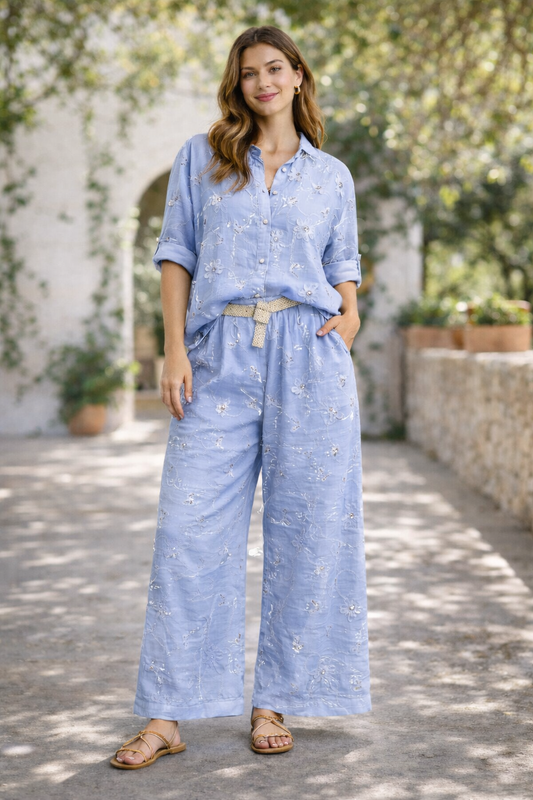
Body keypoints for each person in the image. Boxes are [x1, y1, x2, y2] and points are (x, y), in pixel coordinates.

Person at [110, 24, 371, 770]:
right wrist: (172, 350)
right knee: (188, 535)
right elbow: (175, 252)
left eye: (275, 68)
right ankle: (166, 715)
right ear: (238, 83)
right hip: (219, 354)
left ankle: (273, 700)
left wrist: (346, 315)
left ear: (297, 77)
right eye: (249, 71)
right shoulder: (203, 156)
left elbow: (342, 263)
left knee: (309, 532)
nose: (262, 81)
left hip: (308, 360)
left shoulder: (331, 175)